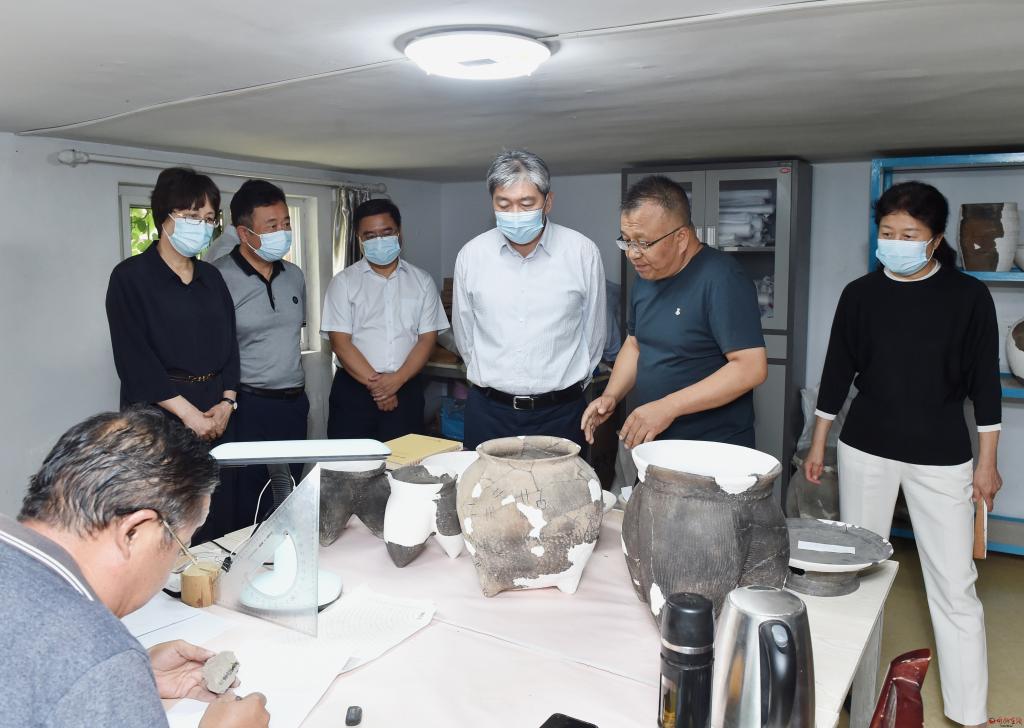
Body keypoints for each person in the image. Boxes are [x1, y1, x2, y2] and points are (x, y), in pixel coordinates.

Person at [804, 181, 1000, 728]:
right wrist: (818, 441)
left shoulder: (968, 297)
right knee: (859, 575)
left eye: (909, 235)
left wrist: (987, 462)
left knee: (954, 583)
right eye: (887, 232)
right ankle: (856, 692)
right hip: (866, 447)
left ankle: (970, 711)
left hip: (942, 455)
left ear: (935, 239)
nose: (895, 242)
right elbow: (836, 372)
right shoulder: (860, 294)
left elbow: (985, 384)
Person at [0, 408, 269, 728]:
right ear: (134, 532)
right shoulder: (100, 662)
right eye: (181, 544)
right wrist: (113, 680)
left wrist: (126, 687)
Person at [581, 175, 767, 449]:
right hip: (657, 444)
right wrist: (611, 395)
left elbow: (750, 368)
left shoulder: (722, 278)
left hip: (711, 449)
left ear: (681, 238)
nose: (632, 254)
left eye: (643, 243)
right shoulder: (645, 277)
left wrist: (669, 407)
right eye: (627, 241)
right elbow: (635, 344)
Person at [105, 166, 240, 542]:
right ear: (164, 216)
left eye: (209, 218)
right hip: (160, 416)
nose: (203, 226)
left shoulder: (212, 277)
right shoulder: (130, 277)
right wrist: (189, 416)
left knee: (219, 517)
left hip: (217, 414)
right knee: (166, 521)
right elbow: (135, 362)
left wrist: (228, 402)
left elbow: (231, 344)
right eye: (192, 216)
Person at [453, 149, 606, 450]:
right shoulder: (472, 256)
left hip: (561, 413)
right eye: (504, 204)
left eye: (526, 204)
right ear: (492, 203)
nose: (515, 214)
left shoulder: (582, 253)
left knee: (563, 483)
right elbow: (465, 335)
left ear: (548, 202)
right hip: (489, 412)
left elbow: (594, 335)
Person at [213, 180, 308, 524]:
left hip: (293, 403)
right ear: (244, 233)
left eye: (286, 223)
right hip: (247, 406)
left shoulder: (294, 275)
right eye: (272, 226)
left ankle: (286, 551)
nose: (282, 232)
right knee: (247, 499)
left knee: (288, 494)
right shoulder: (218, 277)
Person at [321, 198, 449, 441]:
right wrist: (381, 388)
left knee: (406, 460)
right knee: (350, 462)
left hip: (407, 389)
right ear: (359, 239)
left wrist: (396, 381)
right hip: (354, 391)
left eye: (386, 233)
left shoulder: (422, 281)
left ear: (399, 233)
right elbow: (341, 343)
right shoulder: (343, 283)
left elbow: (427, 339)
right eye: (369, 236)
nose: (378, 240)